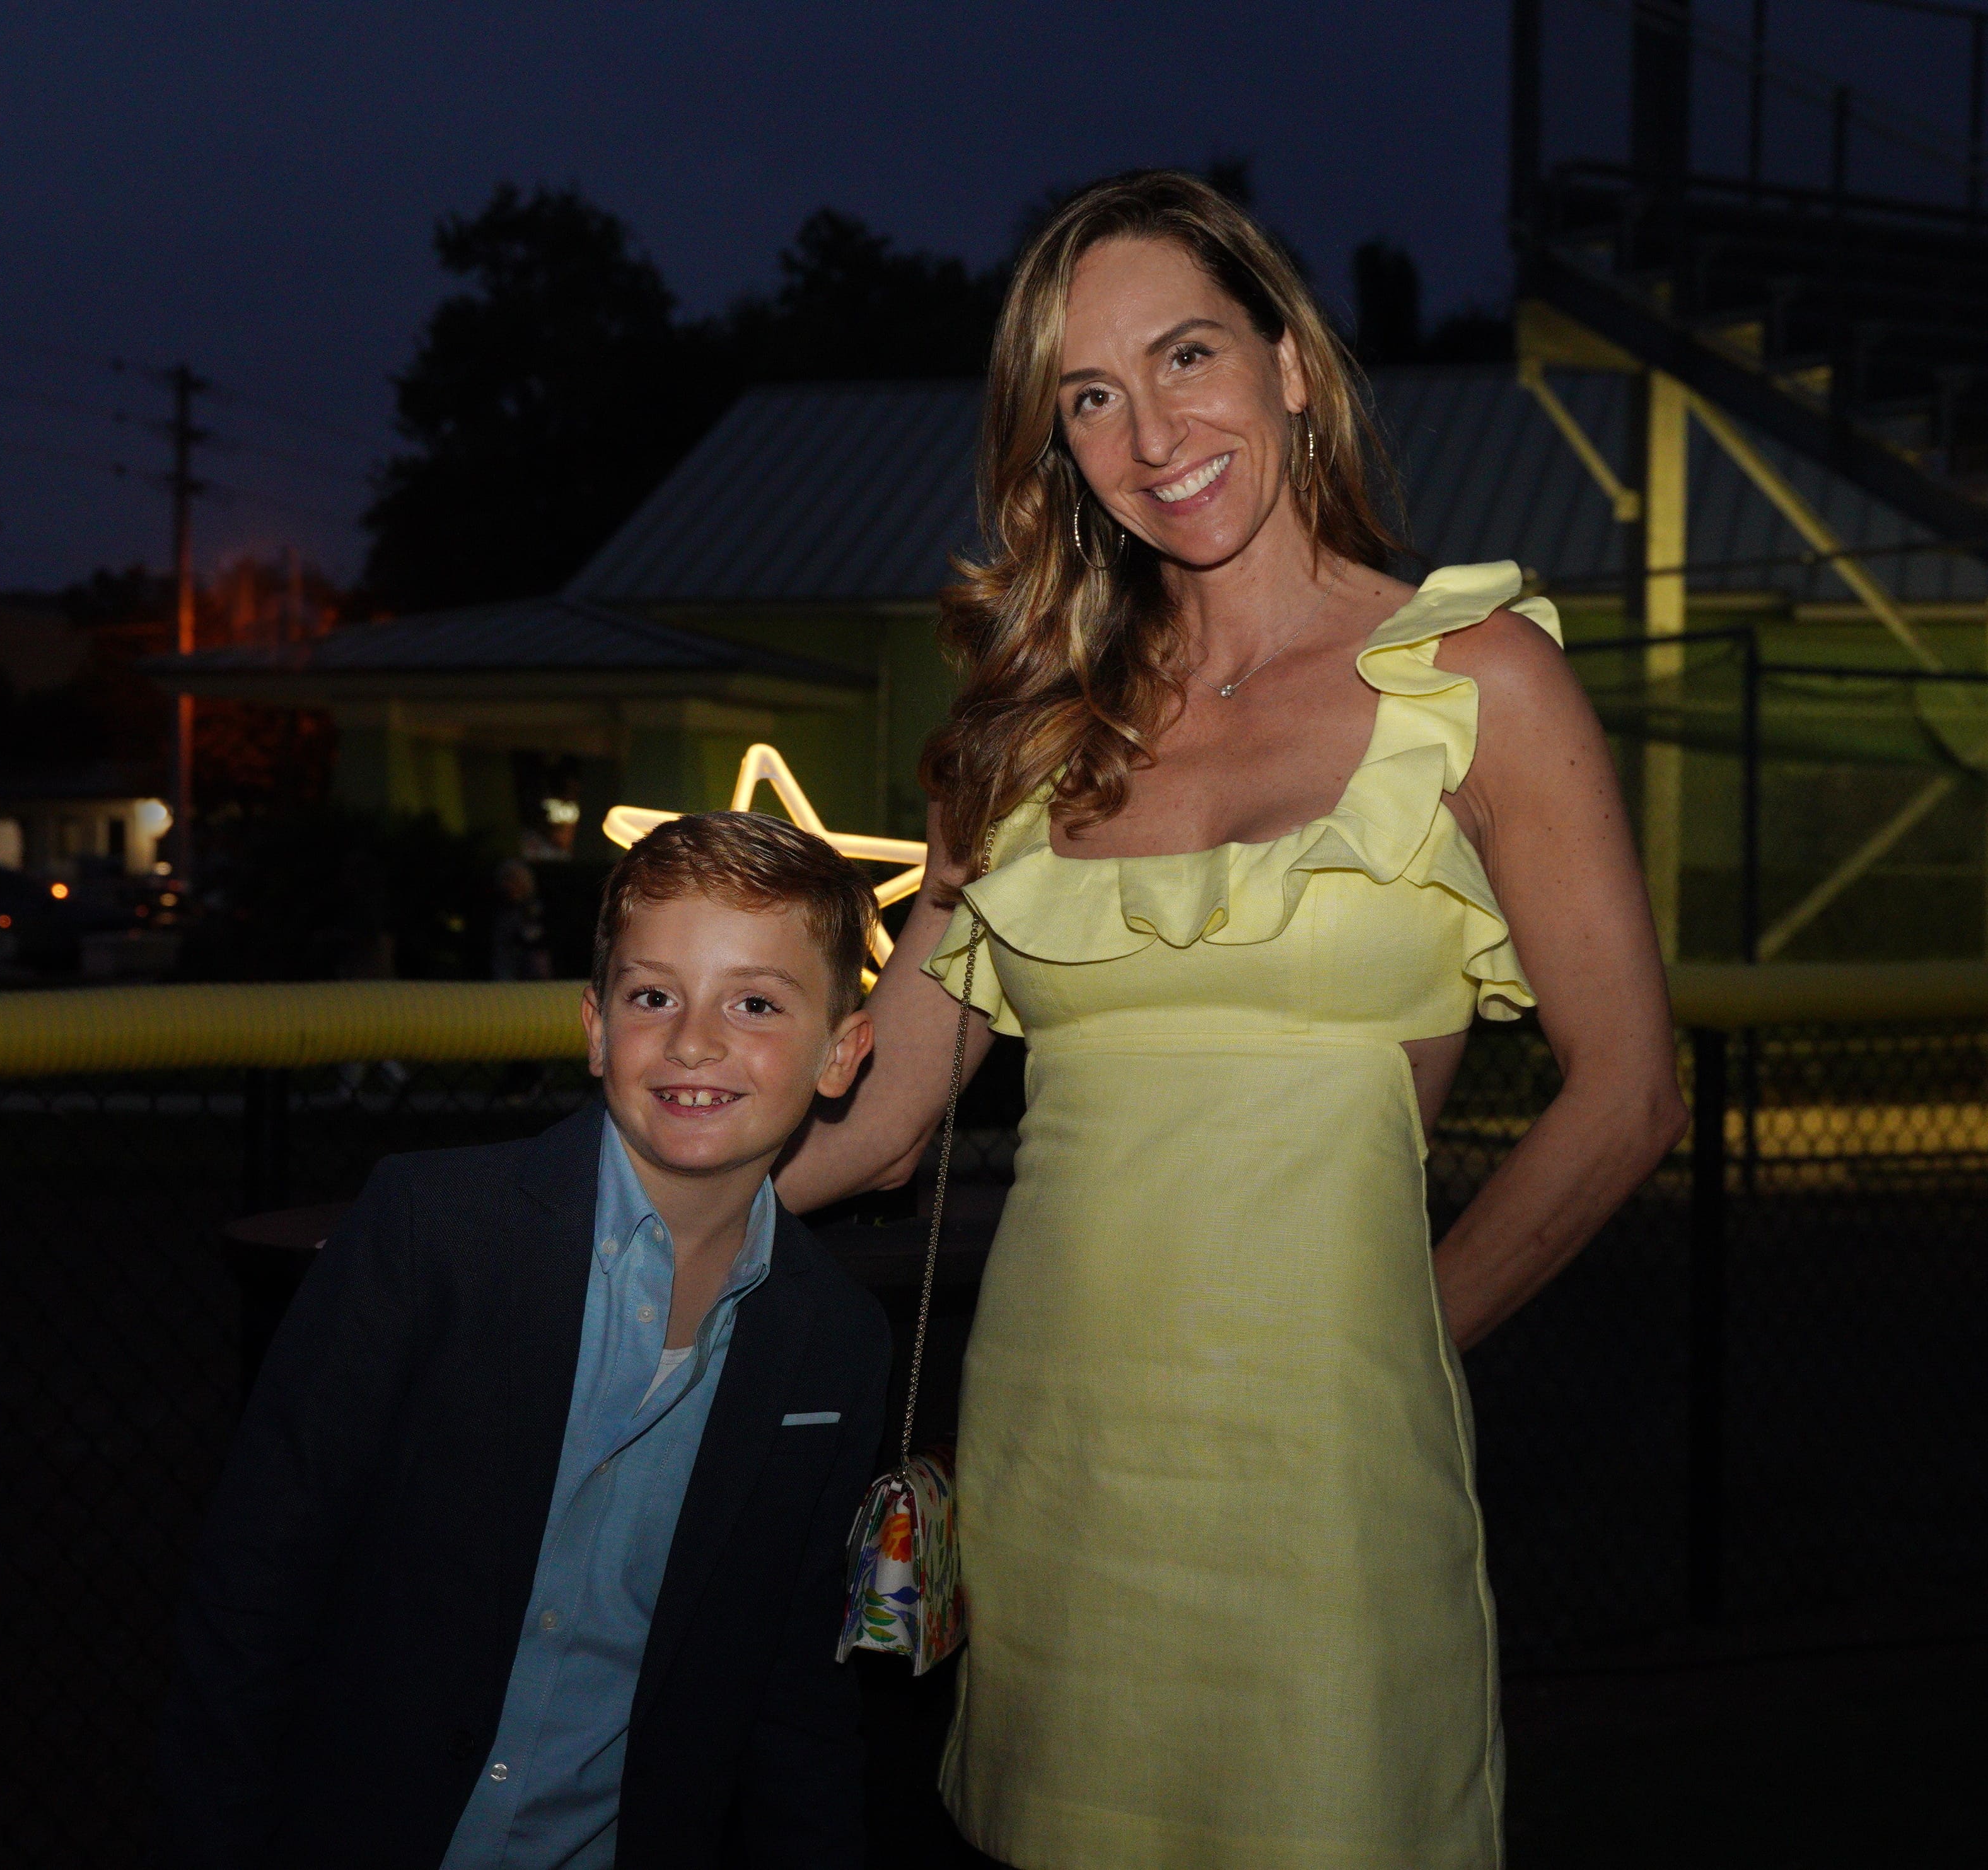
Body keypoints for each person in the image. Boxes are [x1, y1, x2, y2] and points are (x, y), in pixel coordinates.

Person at [776, 171, 1689, 1868]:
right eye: (1089, 397)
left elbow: (1629, 1092)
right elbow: (888, 1112)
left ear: (1290, 361)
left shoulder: (1477, 679)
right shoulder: (1029, 731)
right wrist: (616, 1209)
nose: (1149, 435)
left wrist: (1405, 1335)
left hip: (1328, 1478)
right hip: (1054, 1465)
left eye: (1185, 354)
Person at [160, 812, 892, 1869]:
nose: (694, 1041)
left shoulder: (832, 1341)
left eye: (756, 1003)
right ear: (595, 1028)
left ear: (842, 1053)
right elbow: (253, 1589)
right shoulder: (433, 1236)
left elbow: (792, 1691)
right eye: (654, 997)